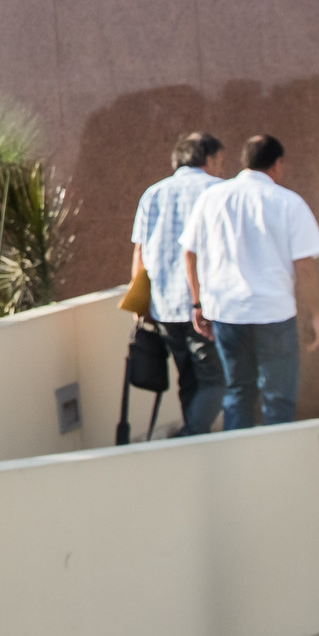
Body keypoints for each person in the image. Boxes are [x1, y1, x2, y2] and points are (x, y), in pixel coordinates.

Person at [182, 134, 319, 429]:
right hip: (274, 312)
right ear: (278, 164)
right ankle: (278, 453)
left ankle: (239, 455)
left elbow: (189, 252)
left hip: (227, 312)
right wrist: (315, 313)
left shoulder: (212, 198)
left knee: (238, 392)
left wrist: (197, 303)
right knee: (278, 398)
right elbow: (305, 266)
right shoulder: (288, 202)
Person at [129, 132, 227, 435]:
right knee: (216, 379)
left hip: (164, 305)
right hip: (206, 303)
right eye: (220, 160)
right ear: (208, 158)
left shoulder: (152, 194)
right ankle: (191, 435)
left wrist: (139, 302)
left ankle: (195, 445)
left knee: (188, 378)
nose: (221, 167)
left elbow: (140, 251)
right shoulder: (218, 190)